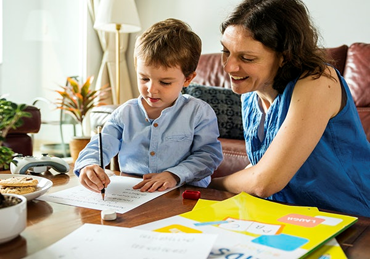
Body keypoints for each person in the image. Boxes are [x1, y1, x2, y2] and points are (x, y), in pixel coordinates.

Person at [209, 0, 370, 217]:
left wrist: (204, 182)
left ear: (285, 55)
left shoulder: (319, 81)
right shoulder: (250, 93)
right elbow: (260, 169)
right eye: (226, 51)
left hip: (354, 217)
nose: (228, 67)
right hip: (293, 217)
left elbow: (264, 181)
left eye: (247, 58)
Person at [74, 18, 223, 193]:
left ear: (188, 79)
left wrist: (174, 175)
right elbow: (101, 144)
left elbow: (208, 156)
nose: (151, 89)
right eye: (144, 78)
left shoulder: (199, 112)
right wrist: (88, 164)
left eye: (165, 82)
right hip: (133, 193)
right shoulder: (125, 113)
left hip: (183, 193)